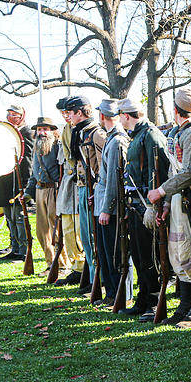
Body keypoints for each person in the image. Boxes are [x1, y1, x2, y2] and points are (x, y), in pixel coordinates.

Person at [147, 87, 191, 328]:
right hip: (178, 201)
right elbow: (175, 170)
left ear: (175, 109)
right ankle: (185, 304)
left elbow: (190, 172)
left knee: (189, 252)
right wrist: (167, 205)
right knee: (177, 252)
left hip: (190, 201)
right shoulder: (178, 133)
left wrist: (162, 191)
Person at [119, 98, 170, 321]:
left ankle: (154, 300)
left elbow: (159, 169)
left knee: (150, 258)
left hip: (146, 204)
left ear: (126, 116)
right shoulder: (137, 135)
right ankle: (143, 300)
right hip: (136, 204)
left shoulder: (150, 134)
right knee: (139, 256)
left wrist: (153, 205)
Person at [65, 96, 106, 294]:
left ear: (79, 113)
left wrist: (97, 190)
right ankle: (92, 277)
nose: (69, 117)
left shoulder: (96, 134)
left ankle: (100, 278)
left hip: (92, 190)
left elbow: (101, 168)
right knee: (86, 237)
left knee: (93, 235)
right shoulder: (81, 134)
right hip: (82, 187)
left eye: (71, 113)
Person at [93, 99, 129, 306]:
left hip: (112, 209)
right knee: (106, 254)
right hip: (103, 203)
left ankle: (119, 296)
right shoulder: (111, 138)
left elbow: (116, 180)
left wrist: (107, 208)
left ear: (102, 116)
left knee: (115, 255)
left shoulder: (117, 141)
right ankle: (111, 294)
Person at [23, 117, 65, 276]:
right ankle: (50, 264)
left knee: (56, 231)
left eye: (45, 129)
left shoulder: (57, 147)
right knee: (41, 232)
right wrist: (28, 193)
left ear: (52, 131)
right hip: (40, 191)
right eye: (39, 130)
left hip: (54, 191)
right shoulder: (36, 148)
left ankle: (62, 265)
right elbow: (34, 175)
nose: (42, 133)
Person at [0, 104, 33, 261]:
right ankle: (15, 248)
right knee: (9, 217)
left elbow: (28, 159)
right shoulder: (8, 132)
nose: (10, 117)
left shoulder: (27, 133)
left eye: (14, 115)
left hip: (19, 181)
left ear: (21, 116)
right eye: (8, 114)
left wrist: (26, 183)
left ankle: (23, 251)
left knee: (19, 217)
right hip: (6, 181)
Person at [54, 97, 85, 286]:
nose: (66, 116)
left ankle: (83, 267)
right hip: (68, 183)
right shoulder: (66, 130)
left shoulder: (81, 130)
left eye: (68, 112)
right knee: (68, 228)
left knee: (79, 228)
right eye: (63, 113)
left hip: (79, 182)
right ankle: (76, 266)